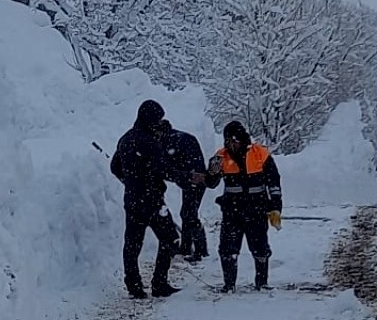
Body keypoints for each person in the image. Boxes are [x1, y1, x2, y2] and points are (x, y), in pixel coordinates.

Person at [196, 120, 283, 292]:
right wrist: (210, 174)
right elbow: (211, 183)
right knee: (227, 249)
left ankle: (262, 283)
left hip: (256, 209)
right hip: (232, 211)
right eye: (227, 141)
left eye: (233, 140)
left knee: (260, 248)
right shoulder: (220, 157)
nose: (230, 145)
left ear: (242, 139)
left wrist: (275, 207)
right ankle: (229, 285)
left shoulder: (260, 154)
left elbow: (274, 182)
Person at [110, 100, 181, 299]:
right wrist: (184, 178)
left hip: (132, 199)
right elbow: (162, 170)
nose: (159, 123)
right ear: (150, 119)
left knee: (132, 243)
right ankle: (159, 284)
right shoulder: (150, 142)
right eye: (158, 119)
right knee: (169, 238)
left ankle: (134, 285)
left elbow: (114, 166)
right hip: (152, 200)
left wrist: (130, 181)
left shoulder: (126, 139)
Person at [156, 119, 210, 262]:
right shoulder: (179, 138)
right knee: (188, 213)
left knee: (188, 213)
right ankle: (188, 248)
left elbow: (167, 166)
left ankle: (198, 250)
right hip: (193, 178)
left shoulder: (172, 142)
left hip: (195, 179)